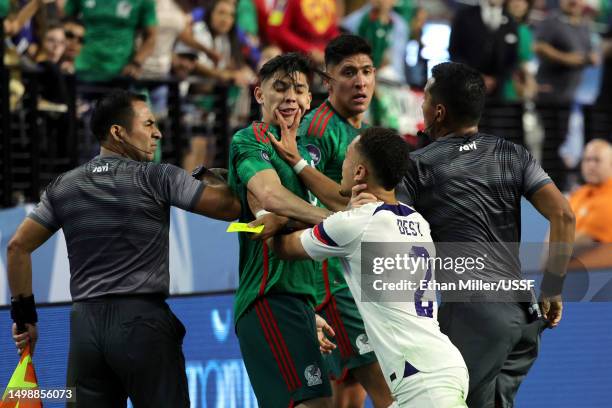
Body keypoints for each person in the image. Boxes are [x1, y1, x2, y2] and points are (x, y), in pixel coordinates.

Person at [7, 90, 241, 407]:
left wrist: (25, 319)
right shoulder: (158, 176)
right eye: (148, 124)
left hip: (85, 330)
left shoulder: (63, 186)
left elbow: (17, 246)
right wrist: (206, 176)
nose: (157, 132)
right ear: (118, 132)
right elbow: (229, 208)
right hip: (142, 323)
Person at [396, 61, 575, 408]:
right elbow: (564, 214)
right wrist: (552, 289)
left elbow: (392, 228)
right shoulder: (512, 154)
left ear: (438, 111)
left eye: (425, 99)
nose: (421, 106)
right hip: (523, 318)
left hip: (473, 315)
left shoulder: (418, 166)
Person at [269, 127, 469, 407]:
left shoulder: (355, 224)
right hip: (442, 366)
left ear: (360, 172)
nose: (343, 166)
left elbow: (284, 248)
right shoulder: (417, 220)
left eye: (347, 159)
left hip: (422, 381)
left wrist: (273, 217)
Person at [268, 35, 393, 407]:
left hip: (361, 276)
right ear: (328, 80)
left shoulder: (362, 130)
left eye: (367, 71)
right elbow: (302, 198)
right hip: (336, 286)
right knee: (390, 391)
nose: (361, 82)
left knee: (350, 390)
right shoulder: (318, 131)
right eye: (349, 73)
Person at [227, 52, 335, 408]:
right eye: (280, 88)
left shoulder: (308, 154)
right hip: (268, 296)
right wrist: (331, 221)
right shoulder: (251, 139)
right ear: (260, 95)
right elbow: (270, 202)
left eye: (299, 89)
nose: (290, 96)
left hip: (297, 300)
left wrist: (308, 312)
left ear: (308, 100)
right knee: (314, 402)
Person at [62, 0, 158, 82]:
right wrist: (67, 56)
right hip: (83, 68)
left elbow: (151, 37)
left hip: (121, 72)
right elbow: (64, 23)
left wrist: (136, 63)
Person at [449, 0, 519, 98]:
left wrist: (496, 79)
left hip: (498, 94)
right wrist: (475, 77)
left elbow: (513, 58)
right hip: (466, 91)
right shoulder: (464, 16)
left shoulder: (511, 21)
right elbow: (454, 51)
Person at [567, 139, 612, 264]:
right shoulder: (578, 195)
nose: (591, 165)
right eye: (587, 159)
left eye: (597, 160)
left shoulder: (609, 200)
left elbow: (579, 244)